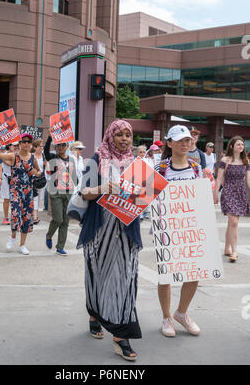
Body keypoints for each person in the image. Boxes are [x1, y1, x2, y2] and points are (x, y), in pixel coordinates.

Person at [77, 119, 142, 361]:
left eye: (128, 134)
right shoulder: (97, 159)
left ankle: (120, 335)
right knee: (96, 275)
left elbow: (144, 196)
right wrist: (104, 188)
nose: (124, 139)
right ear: (110, 136)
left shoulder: (137, 164)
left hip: (126, 232)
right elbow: (82, 191)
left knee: (125, 279)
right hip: (100, 230)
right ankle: (94, 315)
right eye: (119, 134)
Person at [154, 125, 202, 338]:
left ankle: (181, 313)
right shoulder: (160, 168)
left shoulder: (196, 167)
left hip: (190, 228)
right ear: (169, 143)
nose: (185, 143)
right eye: (180, 140)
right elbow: (150, 197)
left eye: (188, 140)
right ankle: (167, 317)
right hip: (166, 228)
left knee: (194, 273)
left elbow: (201, 197)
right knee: (166, 275)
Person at [0, 132, 41, 255]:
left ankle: (22, 245)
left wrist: (36, 173)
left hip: (28, 191)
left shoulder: (33, 158)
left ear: (31, 145)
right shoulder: (13, 156)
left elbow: (39, 172)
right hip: (15, 189)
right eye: (24, 141)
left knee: (26, 217)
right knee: (15, 214)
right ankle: (13, 237)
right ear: (20, 144)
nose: (26, 143)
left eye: (28, 142)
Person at [213, 136, 250, 262]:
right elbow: (218, 178)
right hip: (228, 192)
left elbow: (248, 181)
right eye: (238, 144)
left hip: (241, 193)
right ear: (231, 146)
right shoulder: (225, 160)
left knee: (231, 223)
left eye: (242, 145)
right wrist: (215, 194)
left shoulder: (246, 161)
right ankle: (234, 251)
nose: (241, 146)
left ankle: (227, 248)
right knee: (234, 222)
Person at [44, 133, 77, 256]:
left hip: (69, 192)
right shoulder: (52, 158)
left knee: (65, 221)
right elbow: (45, 151)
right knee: (58, 219)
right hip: (56, 192)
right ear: (55, 146)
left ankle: (60, 247)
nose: (61, 147)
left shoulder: (72, 159)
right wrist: (49, 137)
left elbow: (75, 177)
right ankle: (49, 235)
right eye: (58, 145)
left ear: (67, 146)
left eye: (63, 145)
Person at [0, 143, 16, 225]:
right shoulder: (5, 155)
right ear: (9, 146)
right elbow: (9, 163)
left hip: (16, 178)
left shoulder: (18, 154)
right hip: (7, 178)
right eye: (14, 145)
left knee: (16, 199)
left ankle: (15, 216)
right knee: (7, 199)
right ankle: (6, 217)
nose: (16, 147)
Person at [32, 139, 46, 225]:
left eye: (42, 146)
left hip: (42, 180)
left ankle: (34, 215)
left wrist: (46, 165)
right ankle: (34, 217)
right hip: (33, 179)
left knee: (40, 198)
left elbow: (47, 168)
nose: (42, 148)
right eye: (40, 146)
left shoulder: (44, 156)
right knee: (35, 198)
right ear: (35, 147)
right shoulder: (31, 156)